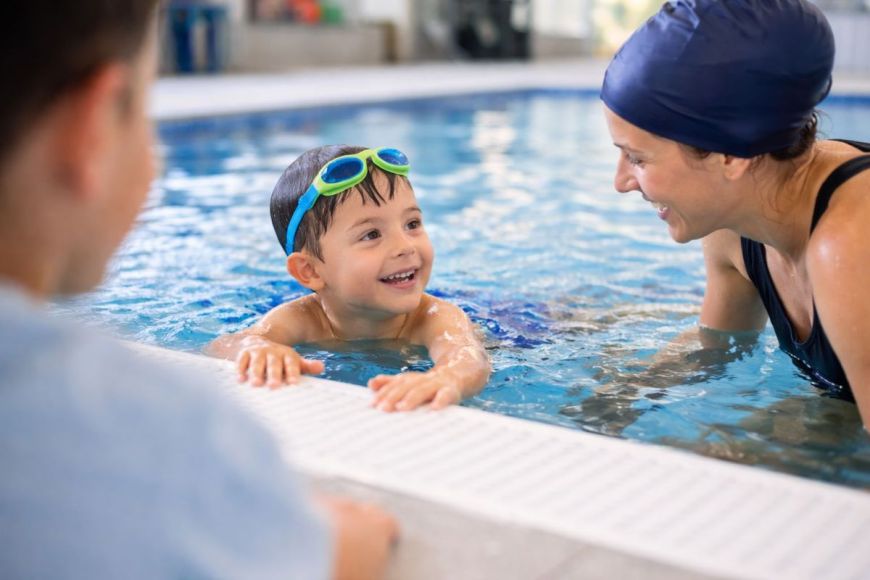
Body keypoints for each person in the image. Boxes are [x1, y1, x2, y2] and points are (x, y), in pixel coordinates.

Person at [0, 2, 397, 578]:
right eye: (146, 114)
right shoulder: (146, 430)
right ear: (92, 129)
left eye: (412, 224)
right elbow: (337, 551)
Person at [600, 0, 870, 427]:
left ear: (730, 156)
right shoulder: (735, 225)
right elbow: (720, 345)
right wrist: (620, 396)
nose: (621, 182)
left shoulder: (852, 243)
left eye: (637, 158)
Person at [207, 145, 491, 412]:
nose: (406, 246)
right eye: (371, 235)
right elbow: (224, 344)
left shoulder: (434, 317)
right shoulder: (302, 318)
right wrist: (257, 349)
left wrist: (446, 378)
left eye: (412, 224)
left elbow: (468, 357)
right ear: (311, 271)